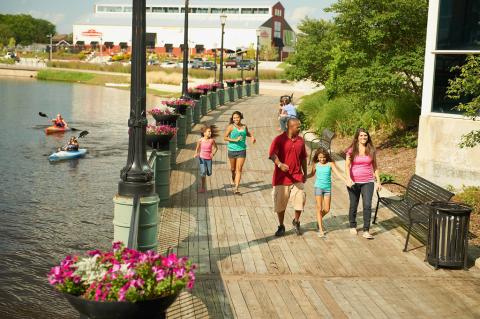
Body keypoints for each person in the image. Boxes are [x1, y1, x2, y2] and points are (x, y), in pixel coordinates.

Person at [269, 118, 308, 236]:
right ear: (290, 127)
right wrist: (280, 164)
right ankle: (281, 226)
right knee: (280, 205)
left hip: (297, 177)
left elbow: (303, 158)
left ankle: (296, 221)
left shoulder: (301, 141)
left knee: (300, 201)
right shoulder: (279, 139)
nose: (300, 128)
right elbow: (272, 155)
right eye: (298, 126)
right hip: (281, 178)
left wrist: (305, 173)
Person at [345, 128, 382, 239]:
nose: (363, 137)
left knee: (367, 205)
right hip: (354, 181)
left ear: (368, 137)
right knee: (354, 204)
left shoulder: (371, 150)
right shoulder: (351, 150)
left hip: (368, 181)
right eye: (361, 135)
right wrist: (348, 179)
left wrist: (378, 182)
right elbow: (347, 165)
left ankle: (366, 230)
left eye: (365, 136)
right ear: (357, 137)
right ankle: (352, 225)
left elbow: (375, 166)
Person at [307, 148, 346, 238]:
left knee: (327, 209)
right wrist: (304, 177)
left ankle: (318, 218)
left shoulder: (330, 164)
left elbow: (338, 174)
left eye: (324, 157)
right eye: (320, 157)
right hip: (318, 188)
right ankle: (321, 229)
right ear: (317, 157)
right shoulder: (316, 165)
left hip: (327, 188)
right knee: (319, 208)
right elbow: (312, 174)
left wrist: (346, 180)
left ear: (326, 157)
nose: (322, 159)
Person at [224, 111, 256, 194]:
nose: (236, 119)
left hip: (242, 150)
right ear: (232, 119)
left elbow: (247, 133)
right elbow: (225, 137)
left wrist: (252, 137)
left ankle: (236, 188)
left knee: (239, 169)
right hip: (232, 150)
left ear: (240, 117)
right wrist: (234, 140)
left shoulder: (244, 126)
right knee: (233, 169)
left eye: (237, 117)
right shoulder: (230, 127)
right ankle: (233, 176)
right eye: (234, 118)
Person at [194, 124, 218, 193]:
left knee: (209, 173)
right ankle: (202, 187)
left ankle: (207, 172)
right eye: (208, 131)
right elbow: (197, 148)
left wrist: (213, 153)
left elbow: (216, 148)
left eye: (210, 131)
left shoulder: (212, 141)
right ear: (204, 133)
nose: (210, 133)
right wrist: (196, 153)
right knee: (203, 172)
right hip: (202, 158)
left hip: (209, 159)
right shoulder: (200, 140)